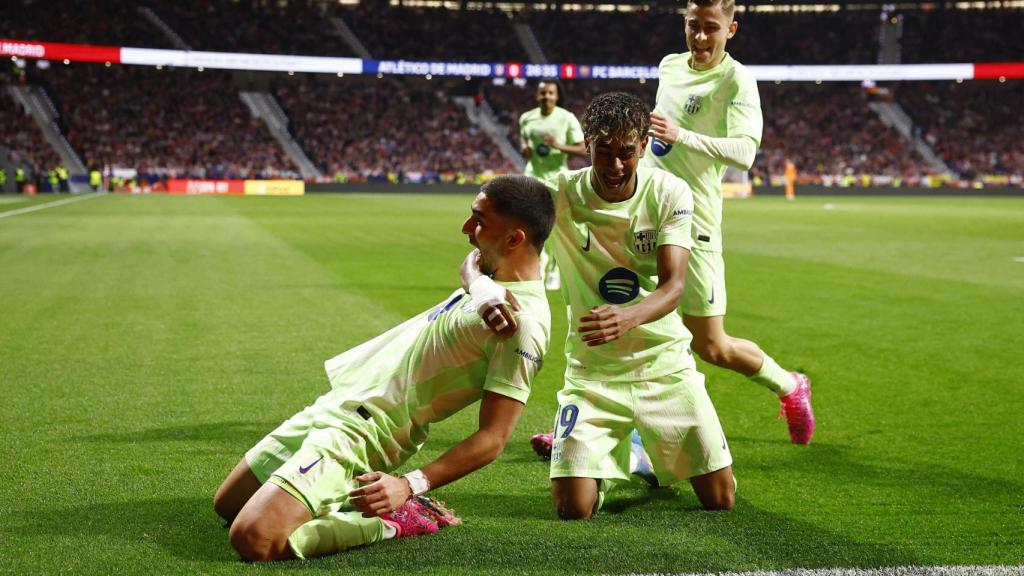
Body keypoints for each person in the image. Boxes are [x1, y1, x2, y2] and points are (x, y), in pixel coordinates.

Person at [213, 175, 555, 561]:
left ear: (514, 240)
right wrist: (478, 289)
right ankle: (325, 496)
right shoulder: (490, 279)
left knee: (254, 537)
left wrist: (410, 485)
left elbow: (493, 438)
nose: (465, 229)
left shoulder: (522, 324)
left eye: (478, 220)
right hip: (337, 403)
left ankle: (393, 520)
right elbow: (470, 264)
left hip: (366, 431)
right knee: (227, 505)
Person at [467, 92, 735, 519]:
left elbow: (674, 286)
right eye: (603, 151)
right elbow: (480, 244)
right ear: (586, 144)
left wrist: (626, 317)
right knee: (574, 508)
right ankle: (618, 459)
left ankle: (639, 455)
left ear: (644, 146)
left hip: (663, 365)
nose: (614, 165)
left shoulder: (669, 192)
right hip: (593, 373)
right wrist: (482, 291)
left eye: (626, 153)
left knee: (720, 499)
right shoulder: (558, 193)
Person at [642, 0, 815, 444]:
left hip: (692, 222)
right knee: (619, 315)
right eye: (693, 26)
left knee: (712, 346)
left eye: (711, 29)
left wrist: (681, 136)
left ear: (731, 29)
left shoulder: (737, 79)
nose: (700, 37)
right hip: (643, 211)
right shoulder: (668, 65)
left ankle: (790, 386)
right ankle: (592, 424)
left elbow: (744, 153)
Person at [519, 80, 587, 290]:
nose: (546, 96)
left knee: (558, 228)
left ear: (556, 96)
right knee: (530, 225)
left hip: (557, 179)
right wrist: (525, 149)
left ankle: (555, 271)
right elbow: (524, 140)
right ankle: (541, 261)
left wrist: (559, 146)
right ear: (536, 95)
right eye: (542, 93)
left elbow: (584, 148)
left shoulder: (566, 118)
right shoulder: (526, 118)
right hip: (532, 177)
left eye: (550, 93)